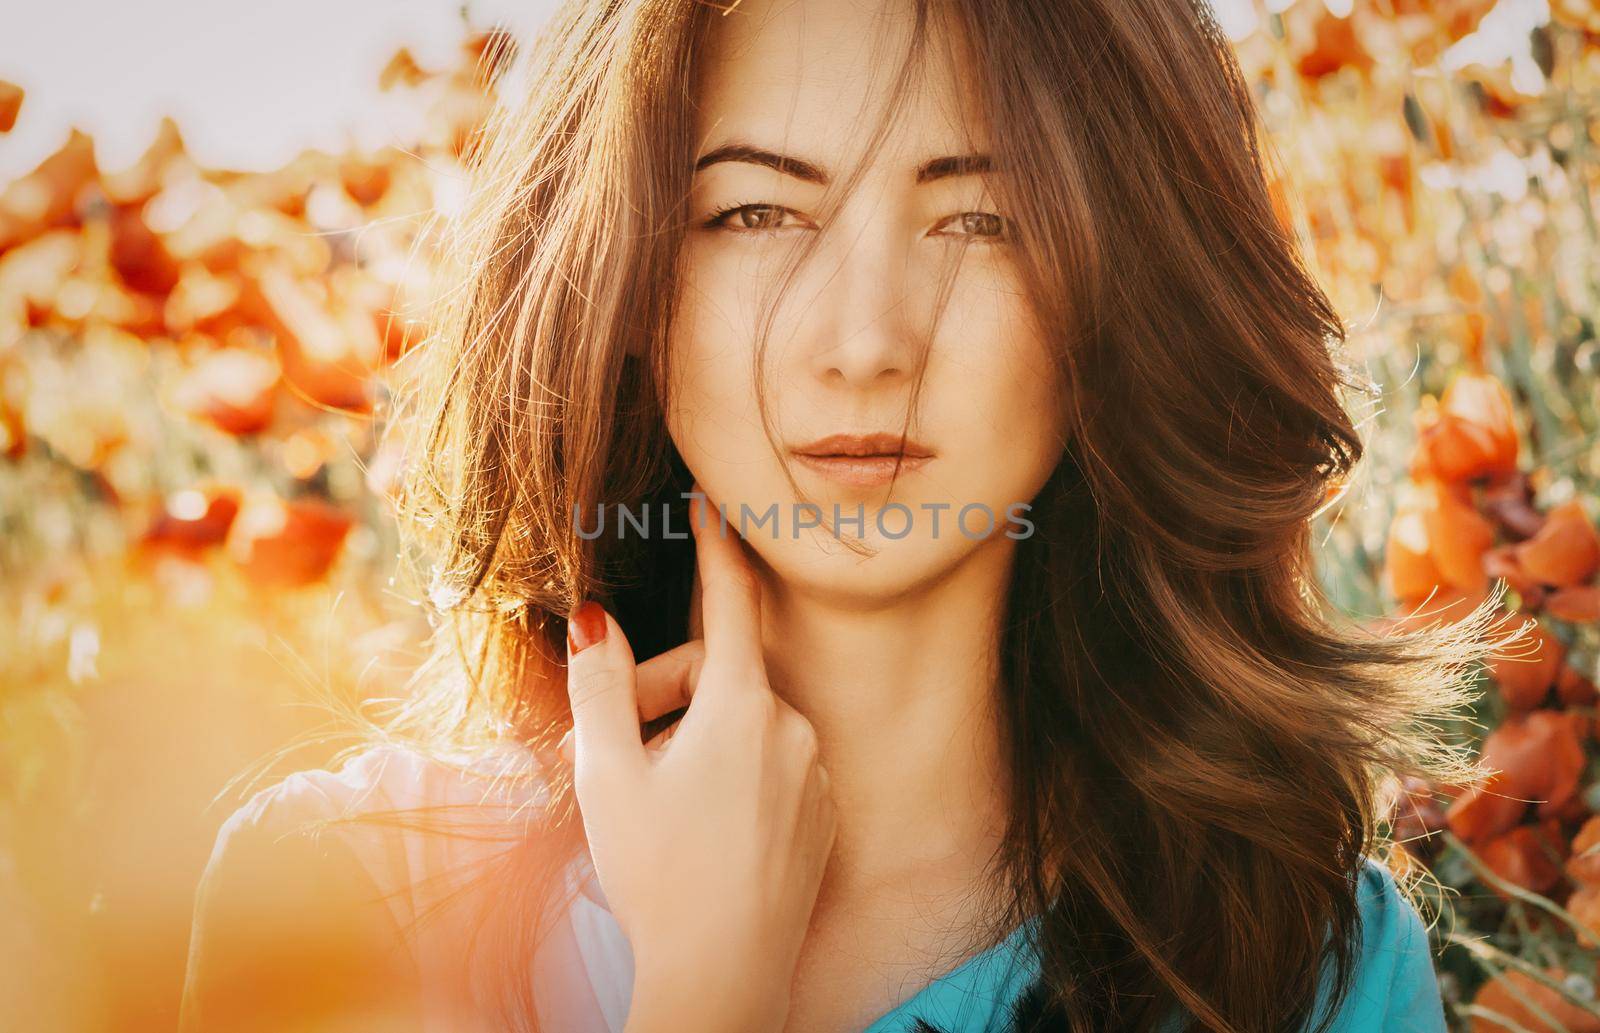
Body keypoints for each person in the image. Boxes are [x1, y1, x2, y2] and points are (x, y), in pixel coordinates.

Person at [179, 0, 1511, 1030]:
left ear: (1119, 287)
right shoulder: (338, 899)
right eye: (754, 210)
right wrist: (706, 993)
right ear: (627, 281)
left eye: (980, 218)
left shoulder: (1299, 966)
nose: (866, 339)